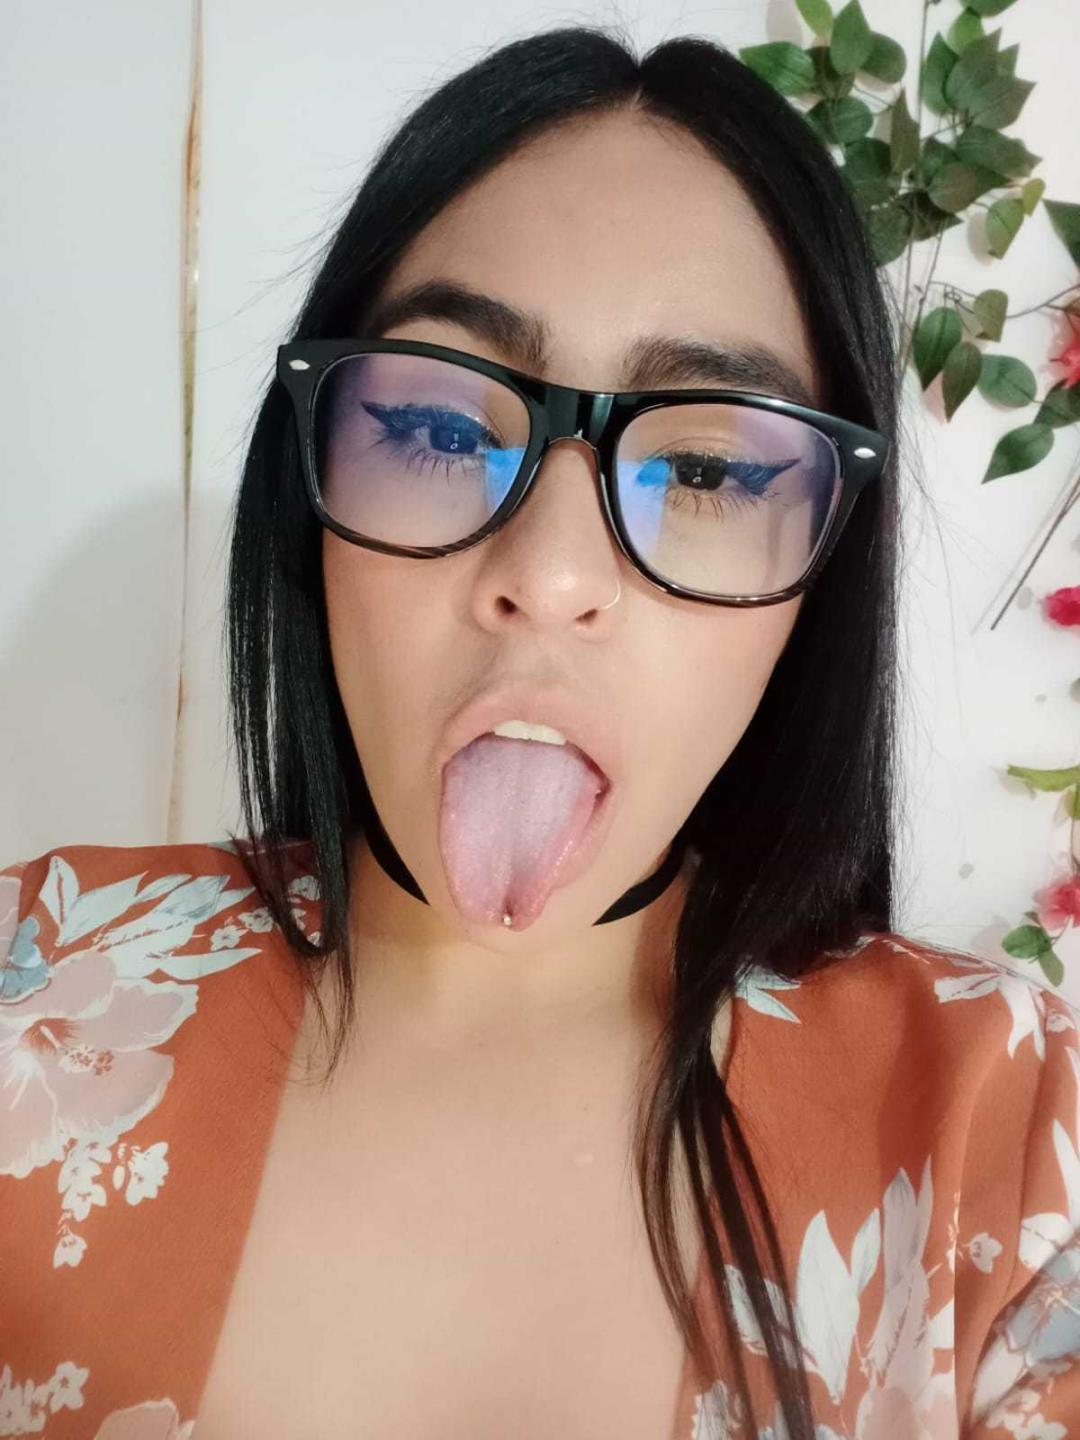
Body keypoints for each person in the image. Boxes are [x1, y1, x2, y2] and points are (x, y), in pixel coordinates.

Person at [2, 23, 1079, 1440]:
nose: (552, 574)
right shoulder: (32, 985)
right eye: (445, 432)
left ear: (820, 584)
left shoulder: (1012, 1135)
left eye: (707, 468)